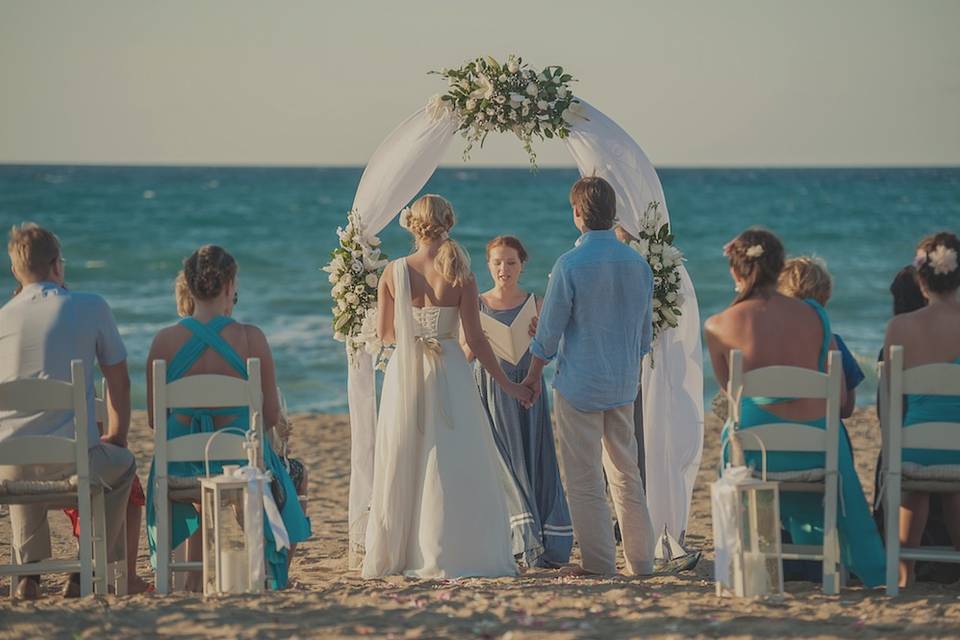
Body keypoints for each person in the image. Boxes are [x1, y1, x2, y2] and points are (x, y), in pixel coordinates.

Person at [705, 228, 885, 587]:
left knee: (736, 431)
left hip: (757, 454)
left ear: (736, 272)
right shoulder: (816, 318)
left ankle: (758, 562)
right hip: (816, 447)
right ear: (778, 267)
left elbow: (731, 393)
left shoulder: (718, 325)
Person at [362, 195, 528, 579]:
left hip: (407, 370)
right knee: (455, 458)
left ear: (412, 226)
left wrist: (411, 326)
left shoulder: (394, 272)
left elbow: (386, 334)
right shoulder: (461, 273)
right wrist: (508, 385)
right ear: (448, 222)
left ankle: (405, 551)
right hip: (451, 369)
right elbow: (478, 340)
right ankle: (456, 549)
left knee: (406, 454)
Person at [144, 245, 311, 591]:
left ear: (188, 287)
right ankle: (271, 577)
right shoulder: (251, 338)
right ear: (231, 285)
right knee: (289, 477)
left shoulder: (164, 341)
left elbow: (153, 420)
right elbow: (269, 417)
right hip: (239, 466)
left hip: (178, 468)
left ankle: (190, 577)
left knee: (197, 467)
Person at [522, 177, 656, 577]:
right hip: (622, 385)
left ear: (578, 214)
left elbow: (547, 336)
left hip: (580, 386)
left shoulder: (569, 264)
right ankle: (642, 563)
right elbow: (644, 336)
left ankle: (600, 565)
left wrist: (531, 377)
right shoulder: (639, 264)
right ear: (612, 213)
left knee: (584, 482)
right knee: (627, 476)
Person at [0, 223, 136, 600]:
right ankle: (85, 570)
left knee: (22, 455)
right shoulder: (90, 306)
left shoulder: (2, 318)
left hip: (9, 466)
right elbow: (119, 381)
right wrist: (117, 436)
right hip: (74, 465)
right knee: (122, 465)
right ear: (58, 266)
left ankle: (30, 572)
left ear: (15, 270)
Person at [463, 235, 573, 567]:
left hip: (529, 388)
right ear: (488, 265)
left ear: (522, 265)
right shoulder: (476, 304)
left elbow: (552, 352)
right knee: (502, 460)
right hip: (491, 390)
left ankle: (545, 539)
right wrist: (477, 339)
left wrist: (541, 338)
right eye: (497, 262)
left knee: (535, 456)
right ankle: (517, 538)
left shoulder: (537, 304)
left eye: (510, 262)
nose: (503, 269)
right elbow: (465, 355)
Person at [883, 231, 960, 588]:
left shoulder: (900, 326)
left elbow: (890, 397)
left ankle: (904, 574)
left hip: (911, 447)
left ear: (920, 278)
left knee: (916, 487)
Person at [778, 256, 865, 418]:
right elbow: (845, 410)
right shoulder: (835, 343)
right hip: (821, 435)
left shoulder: (765, 345)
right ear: (825, 297)